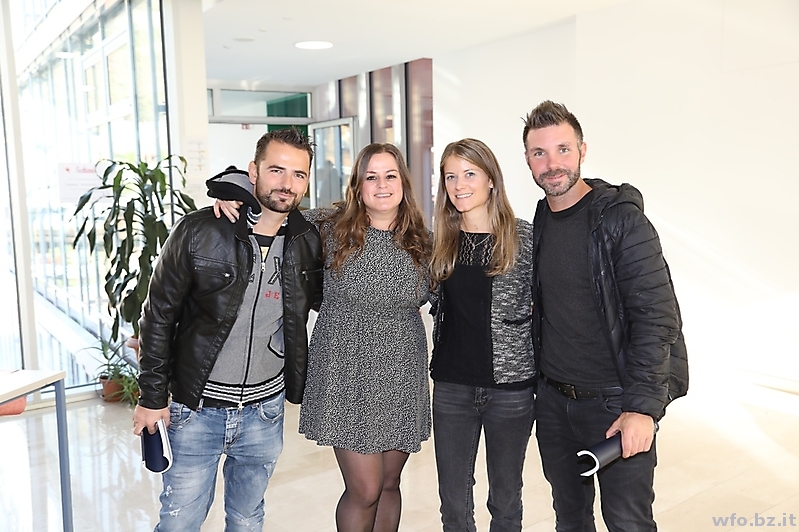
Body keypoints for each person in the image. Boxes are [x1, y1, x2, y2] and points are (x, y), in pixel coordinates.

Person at [214, 142, 433, 532]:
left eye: (390, 176)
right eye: (371, 177)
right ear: (358, 186)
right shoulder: (329, 226)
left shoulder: (424, 241)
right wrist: (232, 195)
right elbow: (276, 201)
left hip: (402, 375)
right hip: (344, 375)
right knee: (365, 488)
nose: (382, 185)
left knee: (389, 483)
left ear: (404, 182)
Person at [132, 127, 323, 532]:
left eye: (299, 174)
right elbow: (158, 316)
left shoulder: (308, 241)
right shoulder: (200, 230)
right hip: (195, 409)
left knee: (247, 518)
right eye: (276, 170)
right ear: (253, 171)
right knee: (180, 522)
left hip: (264, 412)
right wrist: (152, 397)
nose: (287, 184)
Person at [522, 100, 688, 532]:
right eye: (539, 153)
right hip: (554, 404)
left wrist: (642, 409)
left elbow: (657, 318)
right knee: (570, 518)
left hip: (614, 404)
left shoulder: (622, 221)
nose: (552, 164)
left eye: (562, 149)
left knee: (627, 521)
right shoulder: (542, 217)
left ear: (582, 150)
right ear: (527, 159)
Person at [428, 138, 535, 532]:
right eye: (450, 176)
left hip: (510, 390)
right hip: (452, 388)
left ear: (491, 179)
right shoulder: (440, 242)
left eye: (469, 174)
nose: (459, 185)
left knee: (505, 502)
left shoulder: (524, 238)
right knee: (454, 506)